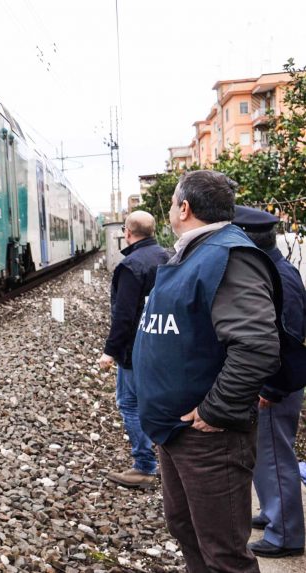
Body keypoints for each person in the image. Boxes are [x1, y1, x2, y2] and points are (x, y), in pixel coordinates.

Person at [133, 170, 281, 573]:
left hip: (208, 438)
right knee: (187, 530)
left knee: (224, 553)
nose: (168, 211)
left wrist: (216, 410)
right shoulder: (196, 252)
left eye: (170, 204)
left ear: (184, 207)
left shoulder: (228, 256)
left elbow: (256, 346)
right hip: (175, 430)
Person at [233, 205, 305, 559]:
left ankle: (286, 535)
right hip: (273, 385)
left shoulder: (280, 275)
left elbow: (290, 336)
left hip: (277, 387)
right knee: (267, 456)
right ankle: (274, 514)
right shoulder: (271, 269)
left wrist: (271, 388)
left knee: (276, 458)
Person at [99, 210, 169, 488]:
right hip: (164, 342)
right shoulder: (168, 257)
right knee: (159, 401)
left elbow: (124, 316)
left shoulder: (130, 266)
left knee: (129, 403)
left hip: (135, 349)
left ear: (127, 232)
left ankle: (145, 466)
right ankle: (168, 462)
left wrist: (109, 351)